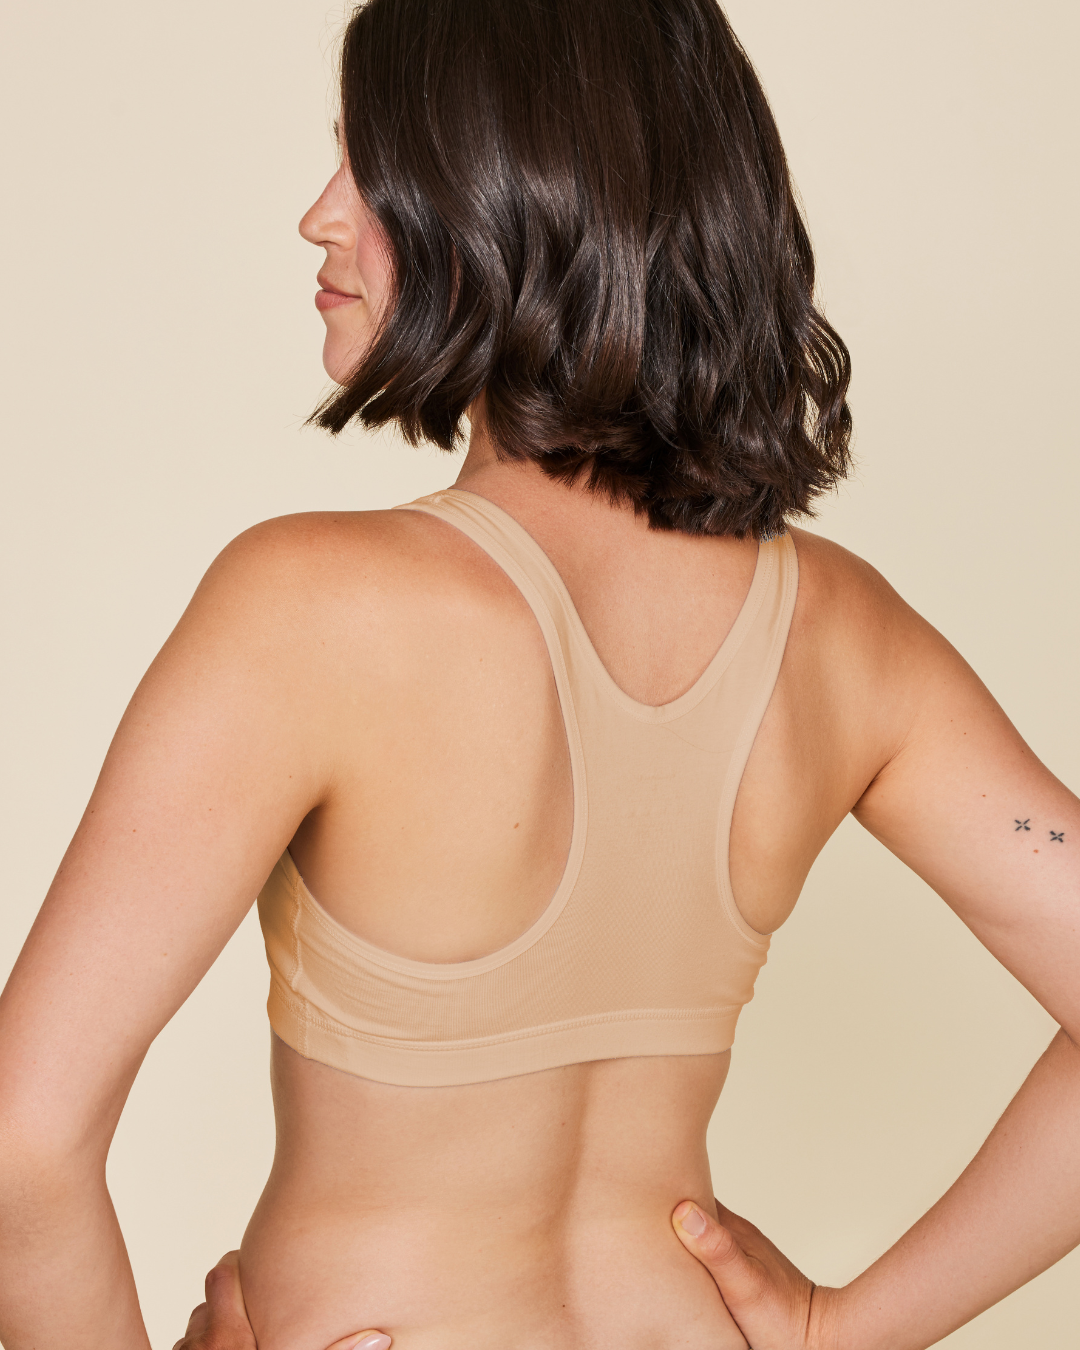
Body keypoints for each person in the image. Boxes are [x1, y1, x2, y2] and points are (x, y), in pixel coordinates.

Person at [1, 2, 1078, 1349]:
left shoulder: (307, 606)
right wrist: (842, 1329)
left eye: (369, 165)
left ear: (513, 191)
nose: (320, 216)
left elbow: (23, 1144)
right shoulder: (849, 638)